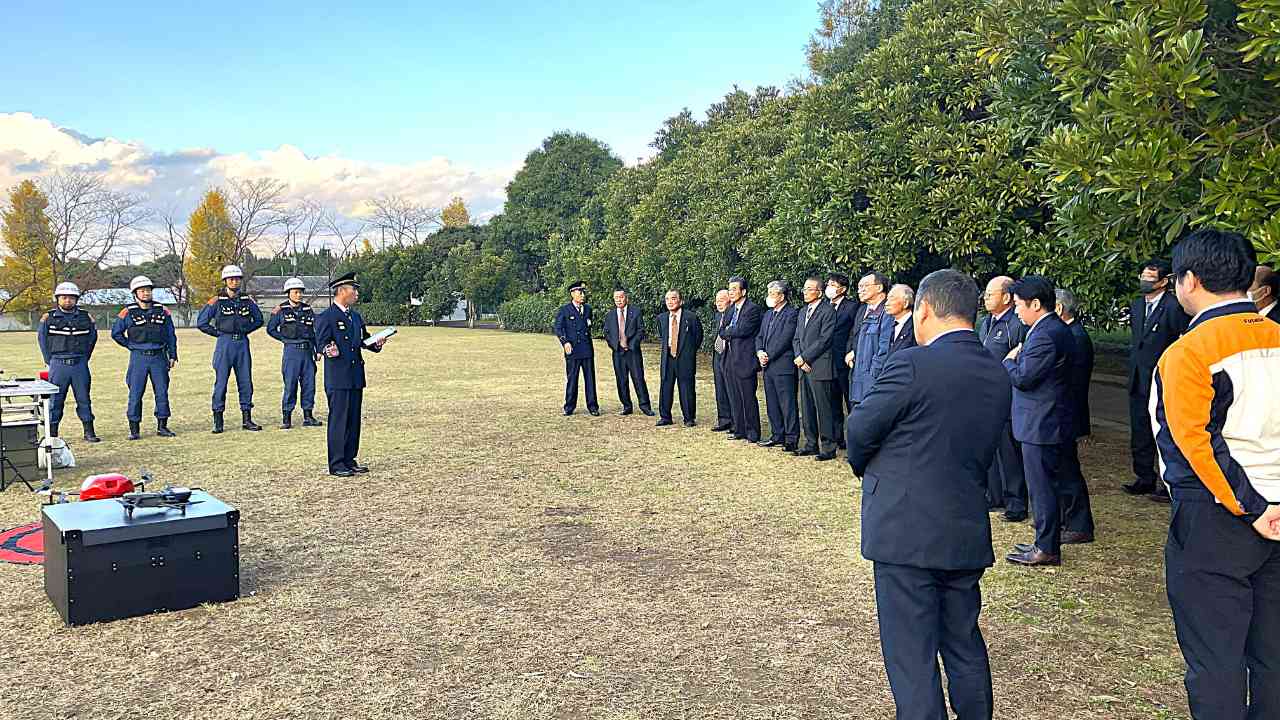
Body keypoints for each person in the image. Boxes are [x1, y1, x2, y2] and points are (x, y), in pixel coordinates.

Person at [846, 269, 1011, 720]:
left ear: (923, 309)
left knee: (912, 656)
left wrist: (868, 467)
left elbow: (860, 429)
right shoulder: (996, 373)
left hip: (906, 531)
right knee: (962, 642)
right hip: (963, 527)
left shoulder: (912, 364)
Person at [1152, 229, 1280, 719]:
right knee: (1271, 656)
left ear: (1190, 280)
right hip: (1271, 509)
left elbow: (1195, 443)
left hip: (1219, 517)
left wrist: (1253, 508)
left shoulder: (1190, 351)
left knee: (1215, 659)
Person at [1003, 275, 1079, 567]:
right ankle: (1044, 539)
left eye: (1019, 305)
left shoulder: (1046, 333)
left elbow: (1025, 378)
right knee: (1047, 483)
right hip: (1046, 419)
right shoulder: (1048, 329)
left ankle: (1046, 546)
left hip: (1042, 421)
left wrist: (1010, 360)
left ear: (1035, 304)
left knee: (1042, 486)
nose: (1017, 311)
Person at [1123, 259, 1190, 501]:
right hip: (1138, 377)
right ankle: (1144, 477)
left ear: (1164, 281)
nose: (1145, 281)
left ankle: (1167, 482)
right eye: (1143, 276)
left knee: (1165, 430)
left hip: (1164, 378)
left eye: (1150, 278)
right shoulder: (1138, 305)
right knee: (1140, 429)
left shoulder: (1174, 307)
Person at [313, 273, 387, 477]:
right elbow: (320, 342)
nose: (356, 293)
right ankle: (336, 463)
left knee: (353, 419)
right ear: (341, 290)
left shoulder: (354, 317)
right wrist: (327, 349)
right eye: (353, 289)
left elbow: (363, 340)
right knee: (339, 420)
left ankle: (349, 459)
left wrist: (376, 344)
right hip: (338, 377)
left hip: (355, 375)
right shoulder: (327, 317)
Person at [977, 276, 1029, 521]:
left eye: (990, 294)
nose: (986, 298)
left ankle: (1016, 502)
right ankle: (994, 494)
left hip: (1008, 396)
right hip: (986, 396)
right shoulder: (986, 322)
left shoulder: (1016, 324)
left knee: (1009, 452)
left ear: (1007, 298)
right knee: (991, 448)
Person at [197, 264, 265, 433]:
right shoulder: (217, 301)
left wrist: (245, 330)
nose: (234, 282)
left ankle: (247, 419)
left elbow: (259, 320)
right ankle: (218, 420)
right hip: (224, 344)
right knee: (221, 382)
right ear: (225, 281)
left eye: (237, 279)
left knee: (245, 381)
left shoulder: (246, 300)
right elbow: (202, 322)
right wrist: (218, 334)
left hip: (242, 343)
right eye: (231, 279)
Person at [110, 275, 178, 440]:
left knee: (162, 392)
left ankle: (162, 426)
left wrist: (173, 355)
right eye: (142, 290)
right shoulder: (127, 312)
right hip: (138, 358)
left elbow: (170, 335)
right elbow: (116, 333)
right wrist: (130, 346)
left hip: (159, 357)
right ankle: (134, 429)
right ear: (135, 293)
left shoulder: (162, 310)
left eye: (148, 290)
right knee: (135, 393)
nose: (146, 293)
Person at [1055, 288, 1096, 544]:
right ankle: (1066, 519)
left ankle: (1079, 523)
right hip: (1063, 414)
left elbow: (1071, 383)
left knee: (1068, 471)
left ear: (1059, 308)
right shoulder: (1069, 334)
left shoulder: (1075, 337)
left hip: (1066, 415)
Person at [37, 282, 100, 442]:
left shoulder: (85, 318)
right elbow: (43, 340)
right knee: (55, 401)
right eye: (64, 298)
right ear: (58, 299)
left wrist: (84, 358)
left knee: (84, 399)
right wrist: (49, 361)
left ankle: (89, 431)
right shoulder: (48, 318)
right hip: (58, 364)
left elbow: (92, 338)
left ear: (76, 300)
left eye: (71, 298)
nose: (67, 301)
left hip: (79, 364)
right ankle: (52, 433)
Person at [266, 277, 323, 429]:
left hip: (307, 351)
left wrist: (318, 350)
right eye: (296, 292)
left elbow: (314, 332)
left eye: (300, 292)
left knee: (309, 384)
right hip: (291, 352)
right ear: (288, 293)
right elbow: (270, 329)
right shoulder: (281, 310)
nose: (299, 295)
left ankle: (308, 416)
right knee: (290, 384)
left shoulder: (307, 309)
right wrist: (285, 339)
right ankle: (287, 417)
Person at [793, 277, 838, 460]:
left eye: (809, 289)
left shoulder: (828, 311)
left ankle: (828, 447)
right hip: (802, 366)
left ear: (819, 292)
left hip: (819, 365)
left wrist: (805, 357)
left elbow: (825, 339)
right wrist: (799, 357)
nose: (805, 292)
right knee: (807, 406)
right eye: (804, 288)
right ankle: (811, 443)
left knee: (823, 407)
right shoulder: (803, 311)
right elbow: (797, 337)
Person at [718, 275, 763, 443]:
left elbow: (744, 330)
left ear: (743, 291)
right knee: (734, 395)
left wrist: (731, 330)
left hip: (745, 359)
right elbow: (722, 331)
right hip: (729, 358)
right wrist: (731, 329)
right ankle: (739, 429)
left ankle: (753, 432)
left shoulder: (752, 309)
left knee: (747, 397)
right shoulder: (730, 310)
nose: (731, 292)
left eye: (734, 289)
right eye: (729, 289)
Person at [756, 281, 799, 450]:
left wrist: (769, 355)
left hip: (783, 365)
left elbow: (785, 339)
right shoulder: (768, 314)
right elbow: (759, 336)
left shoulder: (791, 314)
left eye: (772, 293)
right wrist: (760, 352)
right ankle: (777, 434)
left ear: (782, 296)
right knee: (772, 402)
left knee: (787, 403)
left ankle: (791, 438)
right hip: (768, 366)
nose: (769, 296)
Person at [600, 288, 654, 417]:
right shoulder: (610, 315)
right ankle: (626, 406)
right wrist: (614, 345)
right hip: (618, 352)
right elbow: (606, 333)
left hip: (632, 351)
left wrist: (631, 345)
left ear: (626, 298)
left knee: (638, 378)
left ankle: (645, 406)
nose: (619, 300)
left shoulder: (635, 312)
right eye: (616, 298)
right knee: (621, 380)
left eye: (621, 297)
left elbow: (641, 330)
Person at [655, 289, 703, 427]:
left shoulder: (691, 317)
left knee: (686, 387)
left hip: (684, 358)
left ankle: (689, 418)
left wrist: (689, 351)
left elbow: (698, 337)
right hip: (668, 357)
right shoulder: (662, 318)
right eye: (667, 299)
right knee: (665, 386)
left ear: (680, 301)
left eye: (673, 298)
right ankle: (665, 417)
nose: (670, 302)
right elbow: (663, 337)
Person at [552, 280, 599, 416]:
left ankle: (593, 406)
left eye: (583, 292)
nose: (583, 295)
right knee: (572, 379)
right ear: (572, 293)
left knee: (590, 379)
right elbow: (558, 328)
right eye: (580, 292)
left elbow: (588, 326)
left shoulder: (588, 309)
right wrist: (565, 342)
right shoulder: (564, 310)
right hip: (572, 350)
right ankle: (569, 406)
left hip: (586, 349)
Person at [826, 273, 861, 443]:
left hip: (844, 360)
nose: (829, 287)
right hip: (826, 361)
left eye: (833, 284)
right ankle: (837, 438)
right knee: (832, 401)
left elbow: (854, 332)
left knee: (849, 400)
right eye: (829, 284)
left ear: (843, 289)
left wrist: (851, 351)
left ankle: (853, 438)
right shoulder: (825, 307)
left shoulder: (852, 307)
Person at [847, 272, 889, 405]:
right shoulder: (865, 310)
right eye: (859, 287)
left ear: (879, 288)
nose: (860, 290)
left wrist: (872, 375)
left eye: (865, 286)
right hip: (859, 376)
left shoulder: (888, 311)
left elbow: (884, 349)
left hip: (873, 380)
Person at [869, 284, 916, 379]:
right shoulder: (890, 325)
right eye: (887, 299)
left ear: (906, 303)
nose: (886, 303)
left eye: (892, 298)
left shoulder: (916, 326)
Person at [710, 289, 734, 432]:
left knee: (731, 388)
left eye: (721, 300)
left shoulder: (734, 315)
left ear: (729, 300)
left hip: (730, 355)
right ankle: (724, 419)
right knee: (720, 388)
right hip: (718, 355)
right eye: (717, 300)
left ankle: (735, 420)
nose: (718, 303)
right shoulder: (718, 316)